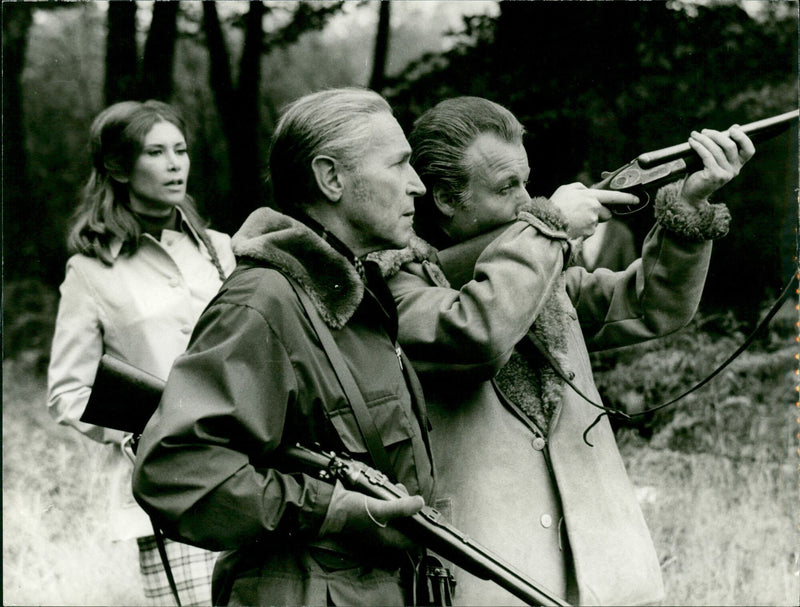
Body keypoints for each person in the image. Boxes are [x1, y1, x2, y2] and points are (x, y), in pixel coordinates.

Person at [372, 96, 754, 605]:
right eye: (507, 188)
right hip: (491, 575)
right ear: (444, 198)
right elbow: (479, 328)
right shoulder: (393, 291)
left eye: (527, 183)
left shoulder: (543, 275)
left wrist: (690, 202)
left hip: (600, 570)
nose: (527, 200)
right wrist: (549, 227)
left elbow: (653, 305)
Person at [131, 88, 434, 606]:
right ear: (331, 178)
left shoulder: (358, 293)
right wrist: (331, 510)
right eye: (400, 164)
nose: (418, 186)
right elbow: (174, 470)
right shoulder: (262, 302)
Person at [47, 100, 236, 606]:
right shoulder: (91, 271)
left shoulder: (221, 250)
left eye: (181, 150)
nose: (175, 164)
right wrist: (138, 429)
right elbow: (67, 392)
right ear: (118, 167)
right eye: (156, 152)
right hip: (170, 486)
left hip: (252, 476)